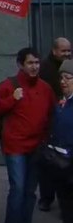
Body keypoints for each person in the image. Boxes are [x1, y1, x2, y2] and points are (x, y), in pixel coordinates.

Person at [0, 47, 56, 223]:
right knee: (18, 187)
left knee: (30, 190)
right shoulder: (9, 85)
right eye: (30, 63)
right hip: (15, 145)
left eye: (36, 63)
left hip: (36, 145)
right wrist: (11, 99)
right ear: (20, 65)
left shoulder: (45, 88)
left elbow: (52, 114)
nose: (34, 67)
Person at [37, 37, 71, 211]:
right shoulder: (45, 69)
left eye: (68, 51)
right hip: (50, 123)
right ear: (54, 51)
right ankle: (46, 197)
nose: (67, 54)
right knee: (49, 166)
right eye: (63, 51)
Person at [46, 61, 73, 223]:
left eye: (68, 78)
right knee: (65, 200)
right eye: (61, 77)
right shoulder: (62, 103)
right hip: (60, 160)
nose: (63, 81)